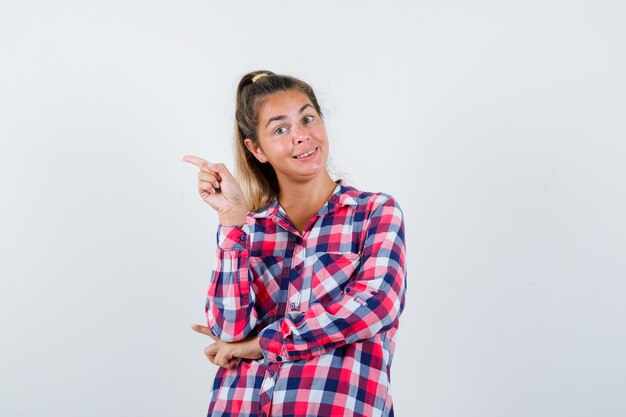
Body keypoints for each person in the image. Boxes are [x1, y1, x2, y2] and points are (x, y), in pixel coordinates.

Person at [183, 70, 407, 417]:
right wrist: (231, 221)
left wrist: (260, 344)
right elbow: (229, 330)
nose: (301, 136)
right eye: (280, 129)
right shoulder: (249, 230)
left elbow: (371, 308)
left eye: (307, 118)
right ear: (256, 149)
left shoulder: (374, 213)